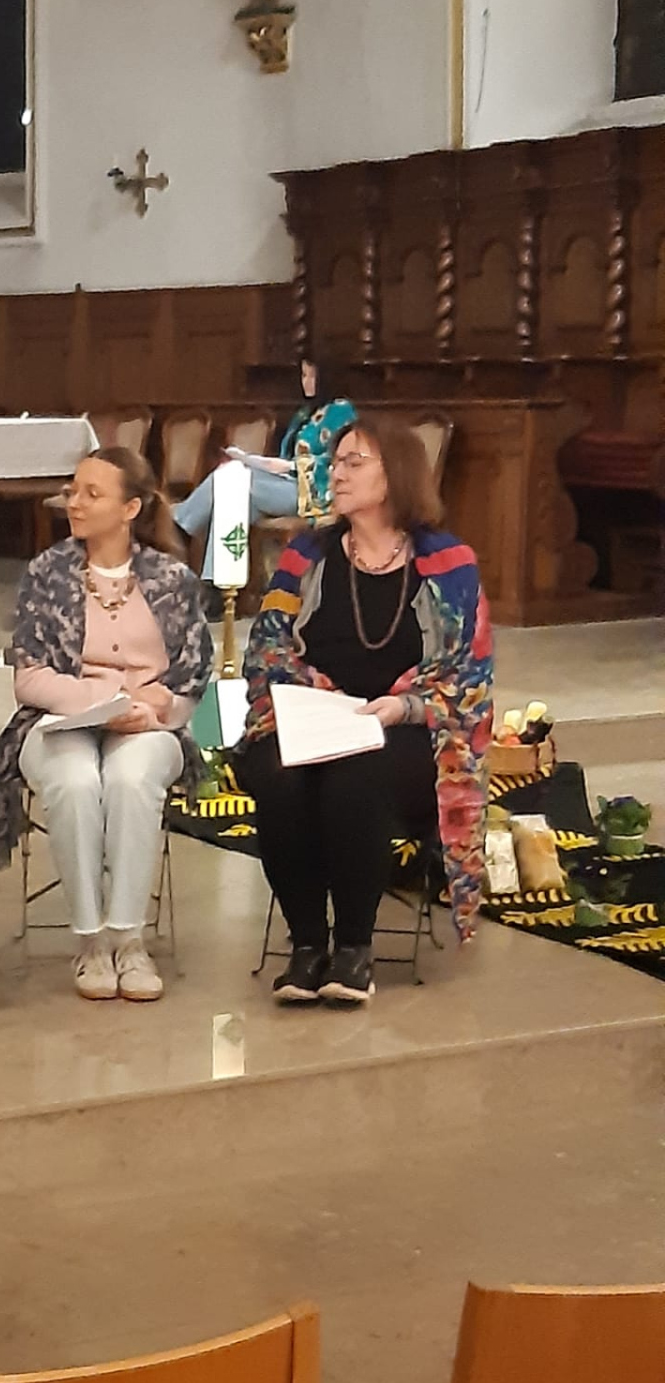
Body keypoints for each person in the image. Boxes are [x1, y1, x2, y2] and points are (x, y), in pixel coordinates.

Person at [237, 414, 493, 1006]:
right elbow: (267, 645)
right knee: (278, 777)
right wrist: (313, 694)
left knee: (357, 777)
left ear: (395, 474)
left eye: (354, 462)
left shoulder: (450, 563)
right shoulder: (306, 554)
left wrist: (403, 706)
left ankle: (353, 949)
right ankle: (307, 947)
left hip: (407, 729)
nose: (337, 474)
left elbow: (469, 673)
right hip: (311, 715)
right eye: (336, 462)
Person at [0, 449, 213, 1001]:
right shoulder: (47, 573)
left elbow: (191, 679)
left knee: (131, 780)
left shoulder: (173, 579)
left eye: (92, 493)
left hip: (147, 725)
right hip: (58, 720)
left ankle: (129, 942)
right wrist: (105, 699)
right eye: (73, 490)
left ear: (131, 508)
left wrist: (153, 710)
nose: (75, 502)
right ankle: (90, 942)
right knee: (75, 781)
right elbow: (29, 677)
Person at [172, 360, 357, 549]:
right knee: (233, 490)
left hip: (313, 491)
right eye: (303, 376)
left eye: (311, 376)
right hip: (287, 480)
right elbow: (287, 457)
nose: (306, 382)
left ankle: (179, 526)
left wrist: (294, 466)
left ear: (326, 378)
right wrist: (255, 461)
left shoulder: (342, 411)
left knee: (232, 484)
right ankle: (218, 565)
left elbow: (340, 458)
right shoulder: (305, 413)